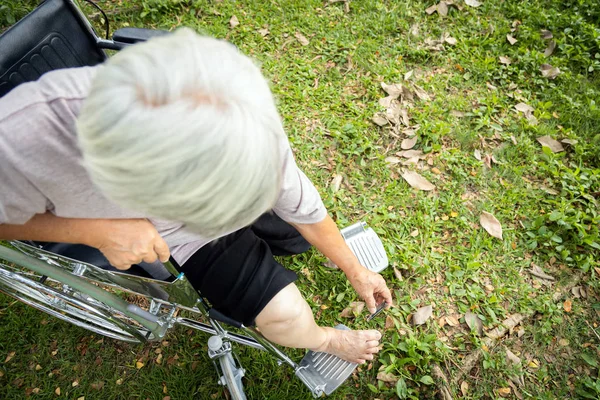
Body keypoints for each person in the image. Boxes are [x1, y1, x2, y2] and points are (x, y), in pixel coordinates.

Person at [0, 29, 392, 364]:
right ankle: (326, 340)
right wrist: (95, 231)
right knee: (285, 316)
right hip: (179, 238)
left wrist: (354, 269)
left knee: (295, 233)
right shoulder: (18, 142)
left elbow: (304, 208)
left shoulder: (237, 111)